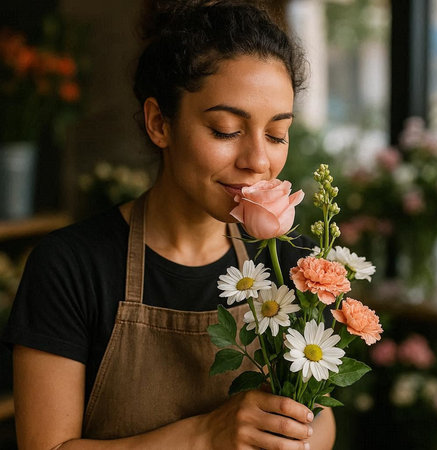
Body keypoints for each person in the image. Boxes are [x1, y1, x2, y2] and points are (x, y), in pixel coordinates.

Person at [2, 1, 336, 448]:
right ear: (159, 123)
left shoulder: (286, 262)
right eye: (225, 130)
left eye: (277, 134)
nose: (259, 161)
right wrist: (206, 434)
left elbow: (322, 422)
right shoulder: (70, 266)